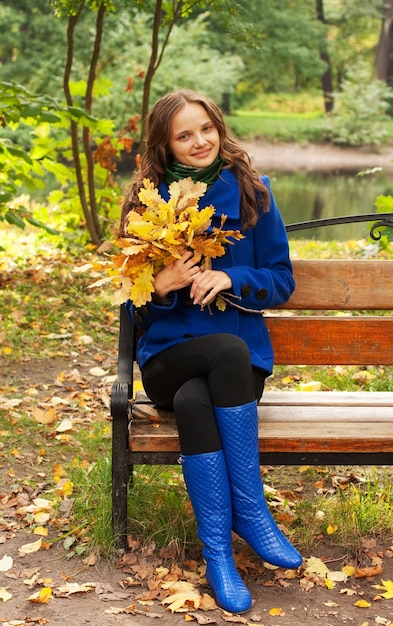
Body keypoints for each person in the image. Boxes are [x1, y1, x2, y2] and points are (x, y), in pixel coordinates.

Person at [119, 89, 302, 614]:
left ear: (219, 128)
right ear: (165, 146)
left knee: (204, 395)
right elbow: (130, 311)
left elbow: (281, 279)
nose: (200, 141)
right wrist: (160, 285)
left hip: (240, 367)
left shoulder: (253, 194)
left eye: (206, 128)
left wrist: (230, 276)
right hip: (166, 360)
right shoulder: (145, 204)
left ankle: (218, 555)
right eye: (184, 135)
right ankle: (252, 510)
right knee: (219, 351)